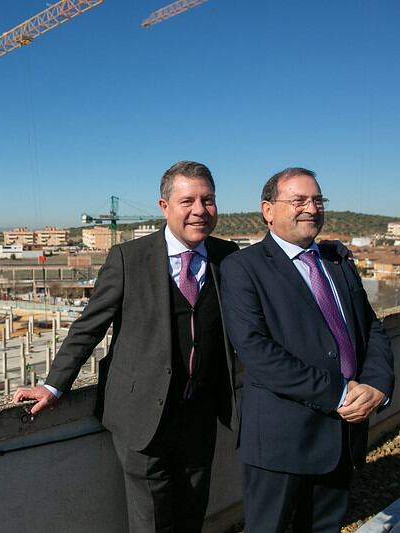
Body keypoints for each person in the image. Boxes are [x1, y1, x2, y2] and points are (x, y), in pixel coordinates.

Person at [12, 161, 239, 532]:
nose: (199, 210)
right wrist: (54, 385)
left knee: (192, 512)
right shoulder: (128, 258)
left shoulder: (227, 257)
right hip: (142, 417)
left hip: (200, 415)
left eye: (208, 200)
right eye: (188, 201)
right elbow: (89, 326)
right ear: (165, 207)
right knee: (151, 520)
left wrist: (327, 254)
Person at [219, 168, 395, 533]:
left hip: (342, 436)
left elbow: (371, 328)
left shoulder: (337, 262)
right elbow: (257, 351)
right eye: (298, 200)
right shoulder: (243, 268)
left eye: (317, 200)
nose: (311, 208)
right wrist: (342, 393)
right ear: (268, 210)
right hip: (282, 441)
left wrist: (378, 387)